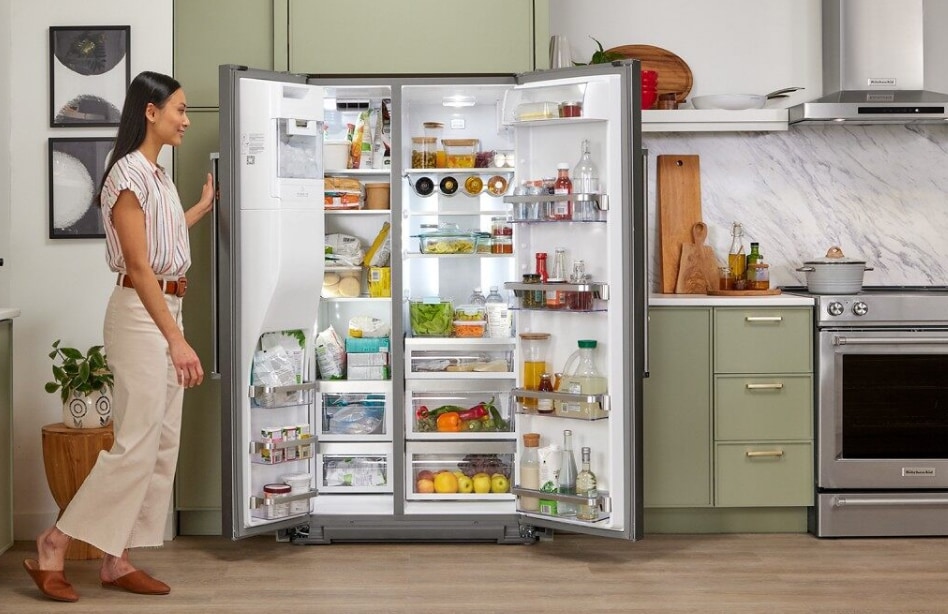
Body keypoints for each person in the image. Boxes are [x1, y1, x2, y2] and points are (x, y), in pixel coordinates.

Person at [23, 71, 214, 602]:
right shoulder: (126, 176)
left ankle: (117, 559)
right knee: (134, 443)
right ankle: (53, 544)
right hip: (141, 313)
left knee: (160, 442)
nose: (186, 119)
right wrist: (176, 339)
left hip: (164, 305)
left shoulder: (157, 177)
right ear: (150, 112)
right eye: (179, 108)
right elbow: (138, 263)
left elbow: (162, 242)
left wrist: (200, 207)